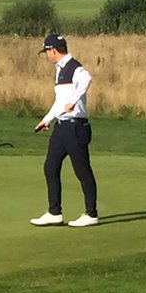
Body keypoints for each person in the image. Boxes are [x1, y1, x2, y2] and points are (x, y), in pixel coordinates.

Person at [30, 33, 98, 227]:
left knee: (82, 171)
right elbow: (59, 102)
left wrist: (74, 100)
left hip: (76, 127)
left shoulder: (74, 67)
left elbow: (87, 79)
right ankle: (54, 212)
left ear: (53, 50)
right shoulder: (59, 70)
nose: (46, 55)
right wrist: (46, 119)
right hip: (61, 127)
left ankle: (91, 214)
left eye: (47, 52)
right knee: (50, 167)